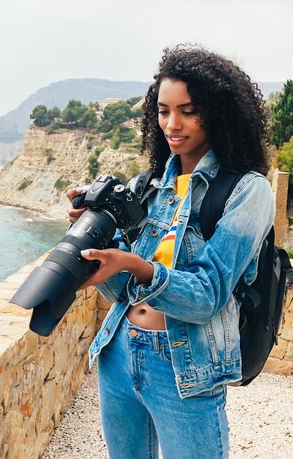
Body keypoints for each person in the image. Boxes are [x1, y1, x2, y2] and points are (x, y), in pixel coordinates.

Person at [66, 46, 275, 459]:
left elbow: (207, 296)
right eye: (163, 111)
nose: (172, 124)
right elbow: (120, 290)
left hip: (185, 366)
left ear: (217, 112)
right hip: (119, 351)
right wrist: (94, 246)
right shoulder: (148, 186)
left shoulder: (248, 191)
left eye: (188, 110)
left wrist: (137, 266)